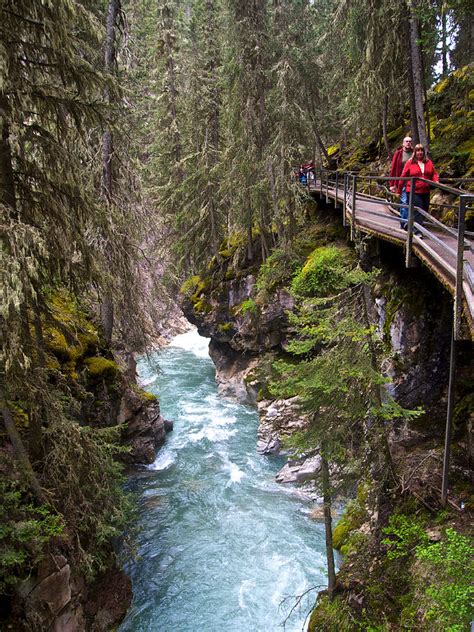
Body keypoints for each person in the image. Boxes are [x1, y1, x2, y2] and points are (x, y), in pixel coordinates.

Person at [398, 144, 439, 237]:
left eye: (421, 151)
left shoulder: (428, 162)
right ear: (415, 152)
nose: (419, 153)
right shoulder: (410, 162)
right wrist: (399, 191)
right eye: (418, 151)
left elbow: (434, 173)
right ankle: (417, 231)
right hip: (413, 191)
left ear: (424, 152)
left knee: (424, 209)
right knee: (418, 210)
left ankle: (411, 224)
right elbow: (403, 177)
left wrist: (436, 180)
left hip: (425, 190)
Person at [389, 136, 413, 229]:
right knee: (404, 202)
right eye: (406, 141)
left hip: (412, 182)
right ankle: (404, 223)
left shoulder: (414, 153)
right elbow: (393, 168)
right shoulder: (398, 153)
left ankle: (406, 222)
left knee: (410, 203)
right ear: (403, 143)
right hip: (401, 182)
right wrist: (392, 184)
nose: (408, 143)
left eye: (410, 142)